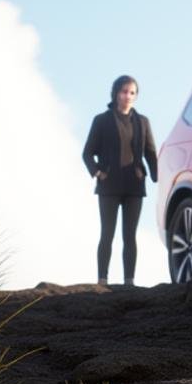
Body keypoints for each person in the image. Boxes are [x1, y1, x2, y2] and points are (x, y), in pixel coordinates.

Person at [82, 75, 158, 286]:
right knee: (107, 233)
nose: (128, 96)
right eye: (124, 92)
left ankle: (129, 282)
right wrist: (98, 173)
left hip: (134, 185)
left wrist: (157, 176)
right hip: (109, 185)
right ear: (116, 93)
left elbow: (151, 153)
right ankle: (102, 280)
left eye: (132, 92)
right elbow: (87, 153)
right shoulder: (101, 120)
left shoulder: (143, 122)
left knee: (130, 236)